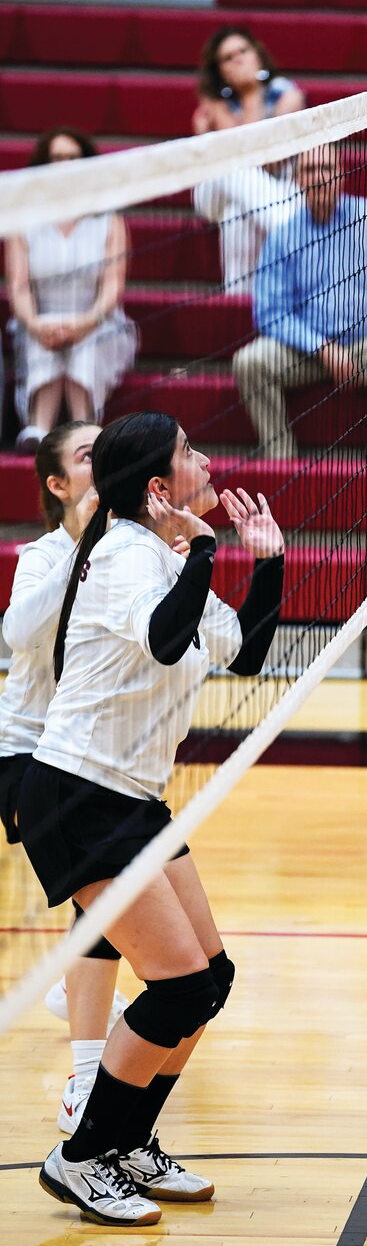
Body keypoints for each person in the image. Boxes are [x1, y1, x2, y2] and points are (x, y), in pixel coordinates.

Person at [16, 411, 284, 1225]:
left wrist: (267, 561)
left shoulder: (161, 555)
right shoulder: (131, 557)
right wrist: (204, 549)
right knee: (177, 988)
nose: (206, 460)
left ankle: (128, 1142)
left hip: (130, 798)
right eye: (189, 453)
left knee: (210, 982)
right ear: (160, 487)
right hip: (76, 797)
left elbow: (243, 649)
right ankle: (80, 1157)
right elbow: (168, 643)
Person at [0, 422, 130, 1132]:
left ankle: (73, 993)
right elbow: (18, 634)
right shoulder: (44, 554)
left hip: (96, 759)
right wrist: (83, 548)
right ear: (59, 486)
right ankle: (86, 1084)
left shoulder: (132, 552)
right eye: (88, 455)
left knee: (107, 904)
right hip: (30, 759)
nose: (102, 462)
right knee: (104, 905)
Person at [233, 144, 367, 461]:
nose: (319, 177)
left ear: (341, 174)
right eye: (310, 170)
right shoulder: (283, 237)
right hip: (307, 351)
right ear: (298, 179)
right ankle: (281, 464)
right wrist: (322, 347)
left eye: (326, 169)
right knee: (249, 362)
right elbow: (270, 314)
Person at [6, 129, 138, 454]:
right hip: (37, 318)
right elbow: (19, 286)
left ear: (86, 164)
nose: (64, 165)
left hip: (98, 318)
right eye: (56, 158)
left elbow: (113, 284)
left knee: (89, 340)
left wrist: (87, 321)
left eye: (72, 158)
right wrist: (36, 322)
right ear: (44, 164)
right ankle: (39, 427)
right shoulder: (23, 219)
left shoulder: (108, 219)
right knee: (42, 333)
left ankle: (87, 429)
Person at [191, 28, 306, 291]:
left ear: (258, 55)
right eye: (228, 58)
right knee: (231, 168)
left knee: (237, 214)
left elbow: (270, 160)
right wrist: (247, 96)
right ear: (219, 71)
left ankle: (238, 303)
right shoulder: (213, 104)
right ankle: (291, 232)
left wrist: (253, 93)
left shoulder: (288, 95)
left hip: (272, 187)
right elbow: (239, 157)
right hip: (214, 192)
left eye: (243, 51)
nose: (238, 60)